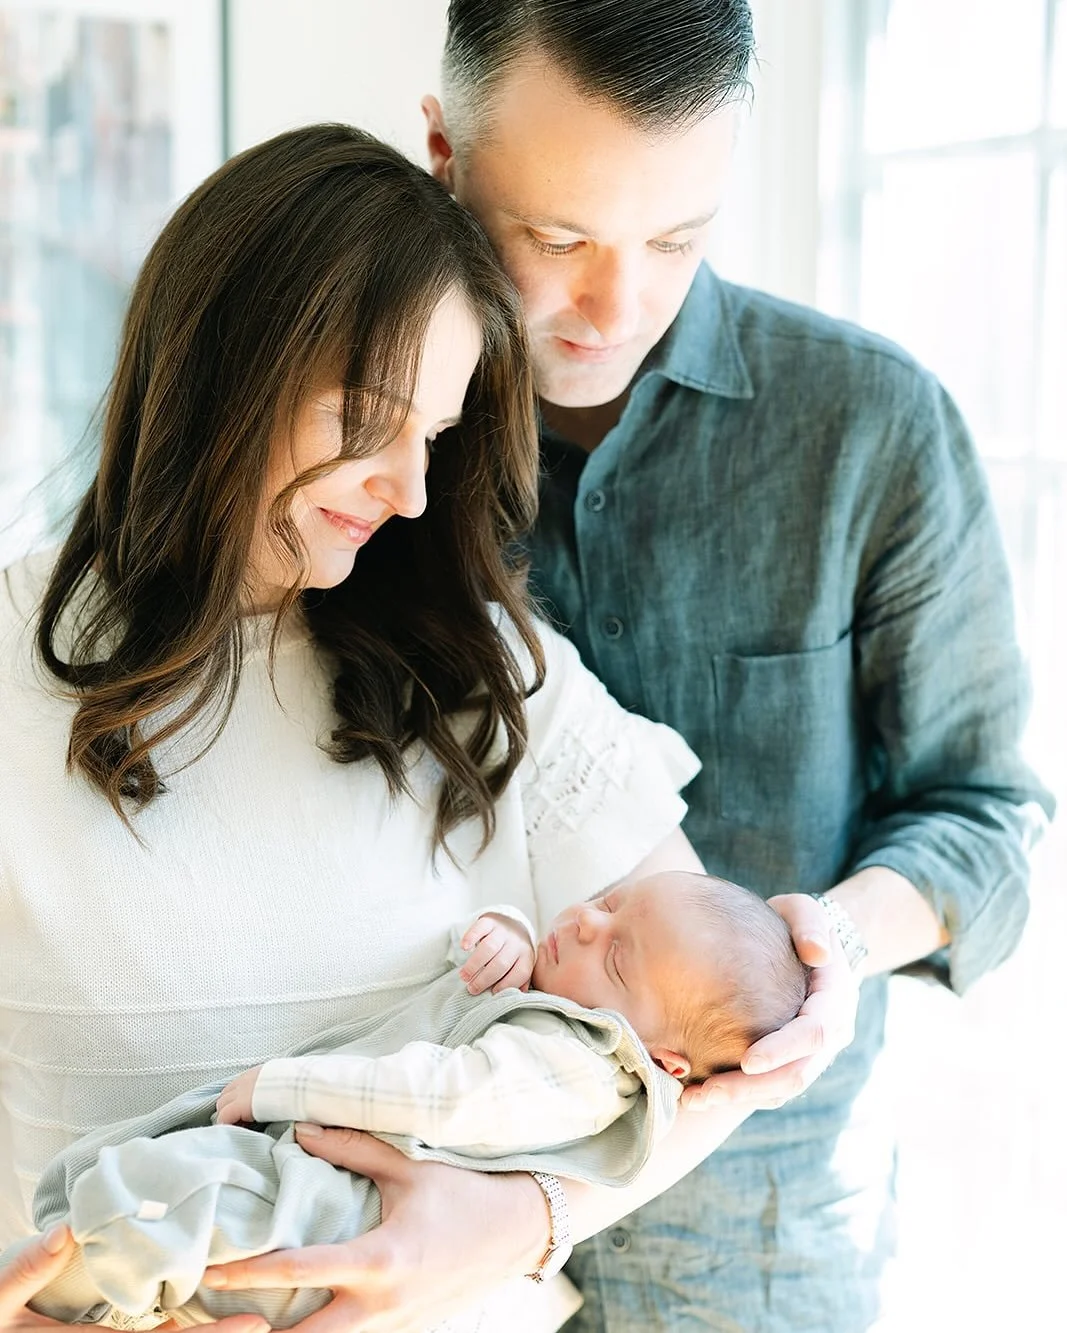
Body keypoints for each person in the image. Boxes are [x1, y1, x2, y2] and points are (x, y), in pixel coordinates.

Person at [0, 120, 844, 1333]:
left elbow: (694, 1067)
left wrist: (517, 1222)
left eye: (436, 439)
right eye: (367, 419)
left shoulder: (483, 671)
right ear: (218, 368)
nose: (407, 492)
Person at [418, 1, 1057, 1329]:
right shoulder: (367, 447)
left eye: (676, 239)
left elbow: (982, 816)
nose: (618, 304)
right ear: (442, 158)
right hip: (423, 1200)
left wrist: (824, 945)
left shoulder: (868, 426)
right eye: (555, 238)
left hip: (749, 1248)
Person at [13, 872, 807, 1330]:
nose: (585, 921)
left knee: (164, 1201)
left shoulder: (585, 1067)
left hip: (331, 1208)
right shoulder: (565, 1013)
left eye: (618, 954)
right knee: (128, 1198)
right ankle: (87, 1279)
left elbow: (439, 1093)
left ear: (661, 1057)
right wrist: (507, 930)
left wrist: (280, 1086)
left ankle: (94, 1290)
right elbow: (460, 992)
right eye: (609, 901)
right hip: (311, 1184)